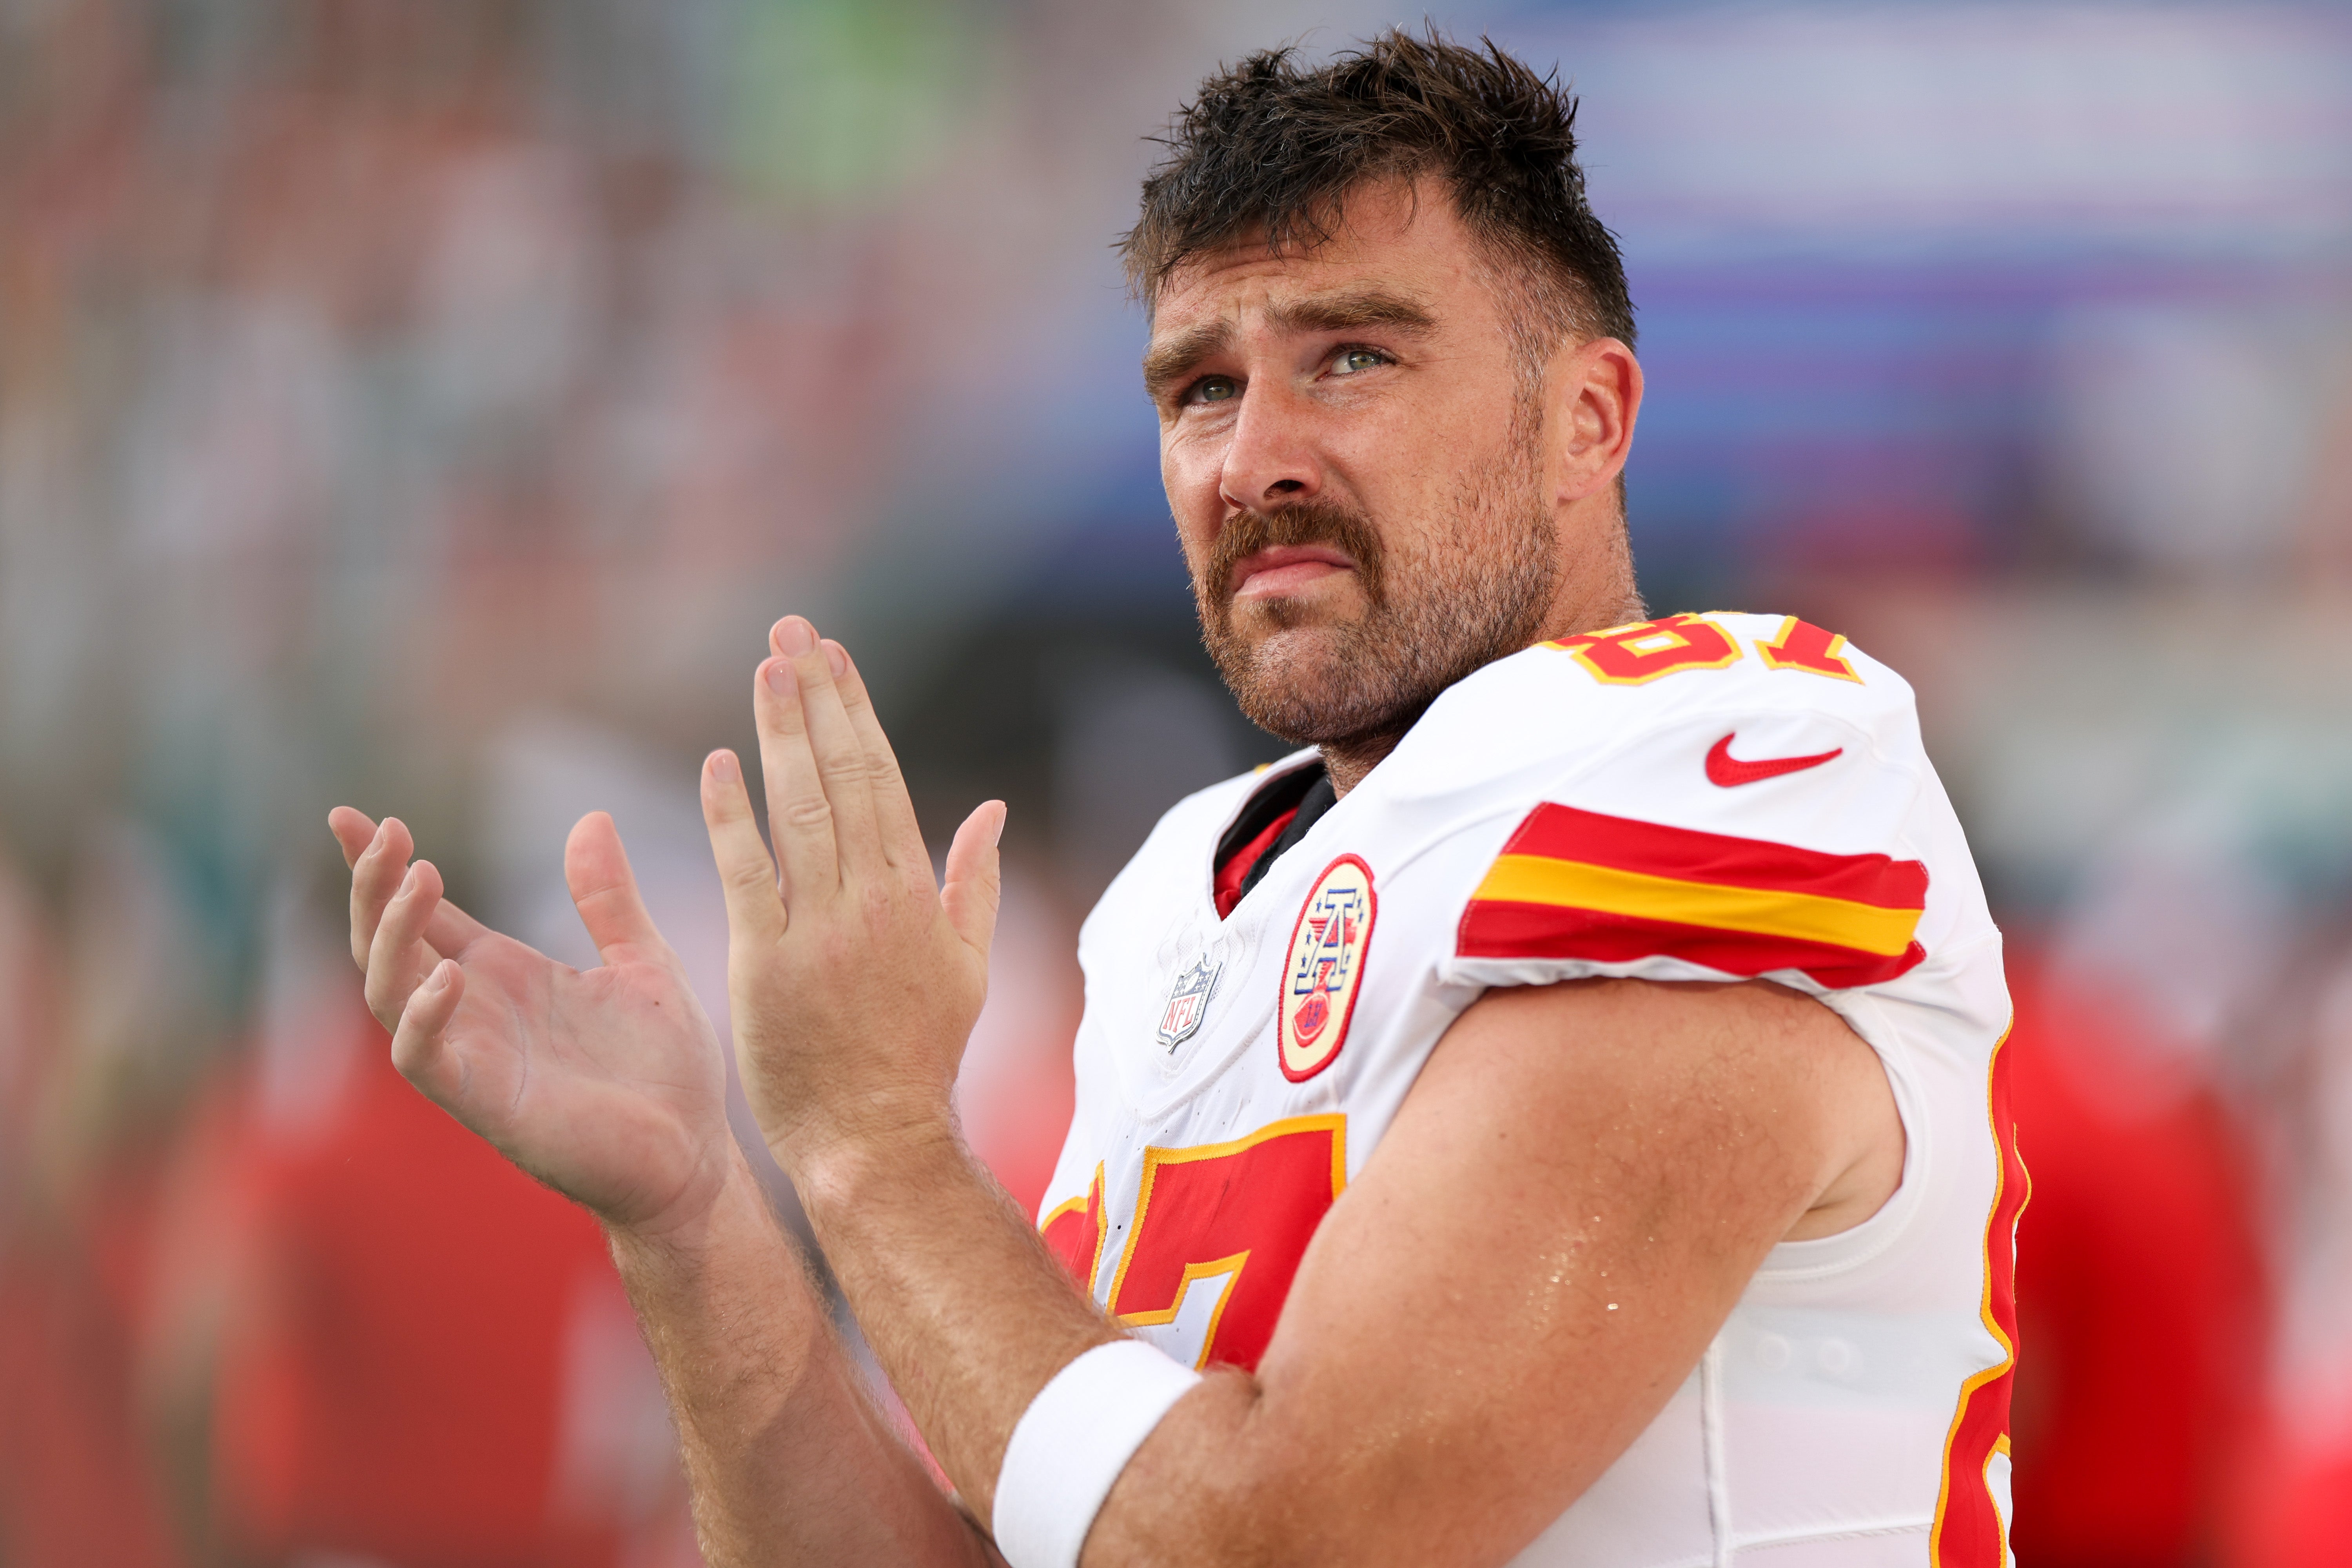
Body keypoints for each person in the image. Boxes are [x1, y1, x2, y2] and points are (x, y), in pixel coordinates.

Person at [328, 32, 2019, 1568]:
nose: (1252, 456)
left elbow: (1274, 1545)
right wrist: (700, 1205)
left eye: (1352, 357)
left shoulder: (1717, 782)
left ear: (1588, 419)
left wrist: (871, 1142)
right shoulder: (1197, 895)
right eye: (1201, 387)